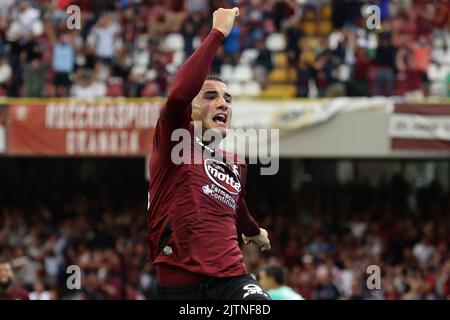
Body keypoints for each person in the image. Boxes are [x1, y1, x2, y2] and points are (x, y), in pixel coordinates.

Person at [147, 7, 271, 300]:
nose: (223, 104)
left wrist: (254, 232)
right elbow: (178, 95)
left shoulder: (235, 163)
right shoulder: (175, 141)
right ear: (192, 108)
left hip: (232, 278)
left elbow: (237, 206)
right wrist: (217, 34)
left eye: (228, 99)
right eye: (211, 96)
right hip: (181, 283)